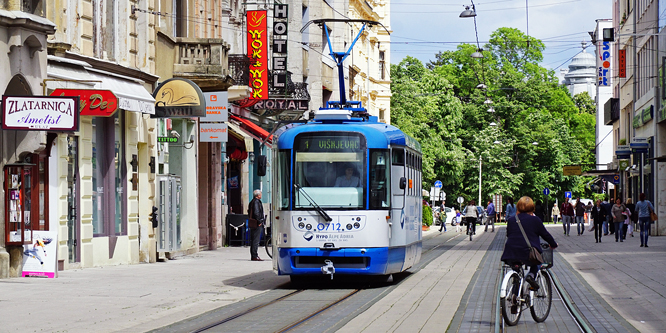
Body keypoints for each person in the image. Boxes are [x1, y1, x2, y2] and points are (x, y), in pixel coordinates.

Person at [501, 196, 558, 290]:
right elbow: (545, 235)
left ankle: (514, 298)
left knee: (517, 273)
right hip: (528, 253)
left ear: (518, 207)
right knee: (539, 262)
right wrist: (553, 244)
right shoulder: (535, 220)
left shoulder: (511, 220)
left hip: (510, 253)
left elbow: (509, 234)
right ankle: (531, 275)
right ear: (532, 207)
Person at [248, 189, 266, 261]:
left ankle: (253, 255)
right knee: (256, 240)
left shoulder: (252, 201)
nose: (261, 195)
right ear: (258, 195)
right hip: (256, 223)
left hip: (254, 223)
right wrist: (260, 221)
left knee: (253, 239)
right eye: (260, 194)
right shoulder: (256, 202)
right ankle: (254, 255)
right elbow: (256, 213)